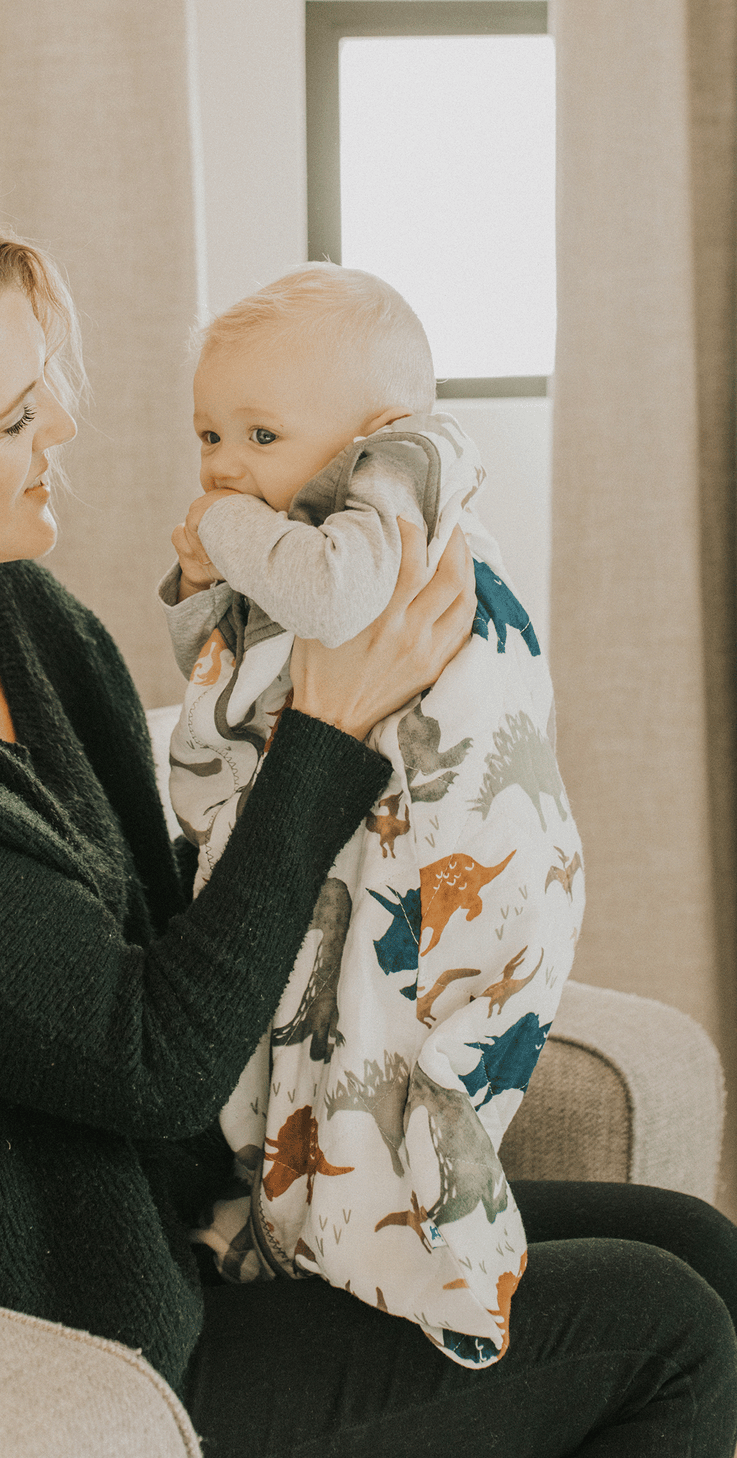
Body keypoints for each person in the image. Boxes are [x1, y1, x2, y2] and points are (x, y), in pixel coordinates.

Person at [0, 188, 737, 1458]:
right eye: (14, 418)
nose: (64, 428)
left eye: (46, 390)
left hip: (194, 1234)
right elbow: (153, 1065)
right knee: (667, 1335)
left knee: (704, 1253)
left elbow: (178, 915)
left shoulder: (18, 617)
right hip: (62, 1360)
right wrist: (326, 732)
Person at [158, 264, 584, 1372]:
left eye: (260, 435)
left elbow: (334, 599)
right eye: (209, 435)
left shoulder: (404, 475)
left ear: (376, 430)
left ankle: (394, 1238)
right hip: (345, 822)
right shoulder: (301, 519)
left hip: (447, 839)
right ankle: (295, 1224)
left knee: (389, 1041)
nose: (225, 466)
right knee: (307, 1040)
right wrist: (204, 587)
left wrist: (220, 527)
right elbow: (223, 666)